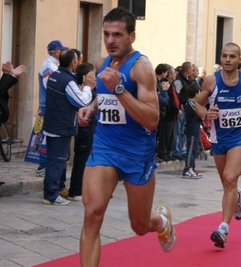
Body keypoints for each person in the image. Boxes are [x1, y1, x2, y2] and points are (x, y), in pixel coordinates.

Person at [78, 7, 176, 266]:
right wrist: (92, 106)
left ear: (132, 36)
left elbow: (152, 119)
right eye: (106, 34)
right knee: (92, 214)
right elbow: (105, 95)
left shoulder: (141, 68)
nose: (110, 40)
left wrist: (119, 89)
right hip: (105, 147)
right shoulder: (102, 64)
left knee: (140, 225)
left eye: (117, 35)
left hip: (136, 153)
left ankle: (162, 220)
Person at [194, 42, 241, 249]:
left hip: (239, 137)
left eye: (232, 56)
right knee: (227, 185)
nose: (227, 60)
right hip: (218, 139)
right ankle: (236, 196)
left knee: (229, 178)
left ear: (239, 60)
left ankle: (223, 228)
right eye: (224, 56)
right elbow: (197, 104)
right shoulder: (211, 81)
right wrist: (205, 114)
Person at [42, 50, 94, 205]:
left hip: (52, 124)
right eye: (78, 60)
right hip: (61, 127)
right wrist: (87, 87)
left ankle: (50, 192)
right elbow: (81, 101)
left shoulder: (54, 75)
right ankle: (51, 195)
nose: (79, 62)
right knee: (57, 161)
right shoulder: (67, 81)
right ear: (73, 63)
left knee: (53, 160)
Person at [37, 40, 69, 178]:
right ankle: (43, 166)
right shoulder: (49, 67)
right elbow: (51, 88)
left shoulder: (53, 65)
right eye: (62, 51)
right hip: (49, 107)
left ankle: (44, 166)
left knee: (48, 137)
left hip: (49, 106)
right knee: (48, 138)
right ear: (57, 51)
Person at [68, 63, 97, 201]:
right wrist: (90, 88)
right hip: (85, 128)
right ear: (86, 77)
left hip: (85, 128)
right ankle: (78, 191)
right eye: (92, 74)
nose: (95, 77)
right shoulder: (84, 91)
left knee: (80, 159)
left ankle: (74, 190)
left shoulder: (87, 89)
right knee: (82, 160)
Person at [182, 83, 203, 178]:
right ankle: (188, 168)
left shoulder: (195, 104)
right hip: (191, 129)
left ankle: (192, 167)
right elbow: (200, 114)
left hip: (195, 129)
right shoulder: (191, 104)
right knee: (190, 149)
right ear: (196, 93)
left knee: (194, 149)